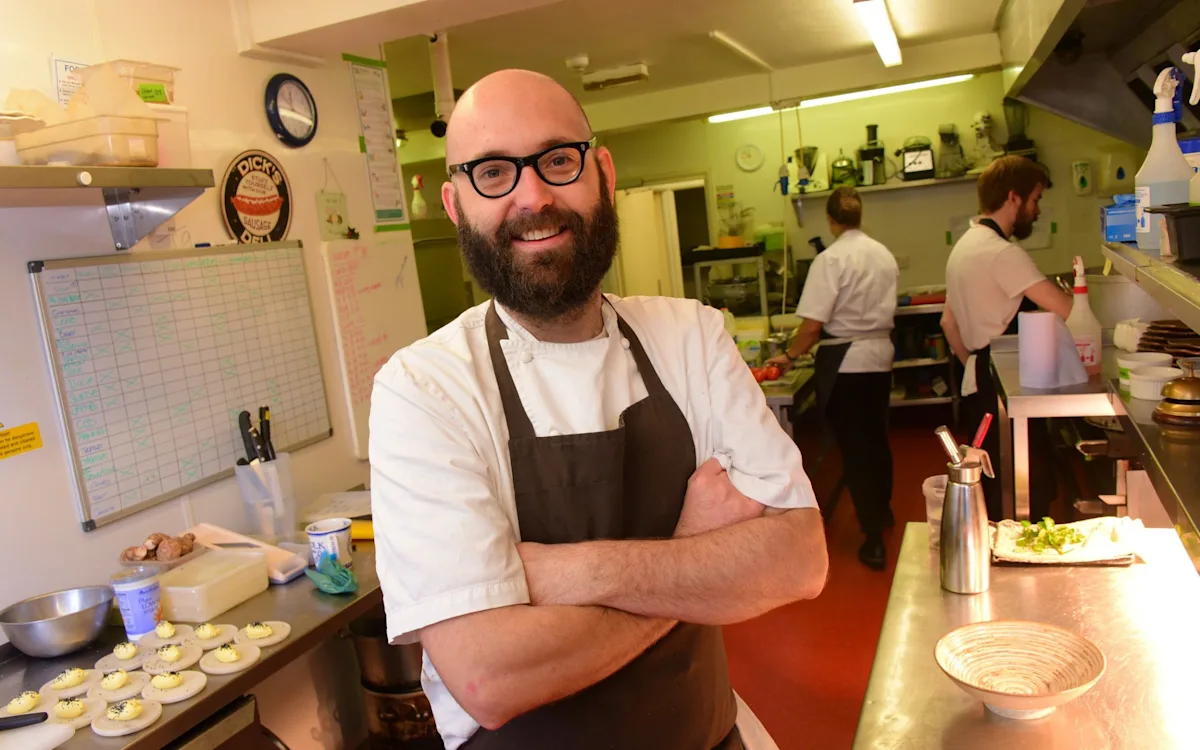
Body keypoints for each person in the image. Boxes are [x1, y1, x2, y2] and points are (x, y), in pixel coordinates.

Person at [369, 69, 828, 750]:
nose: (533, 196)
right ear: (456, 203)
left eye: (558, 160)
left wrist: (565, 573)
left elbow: (798, 560)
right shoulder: (425, 388)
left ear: (604, 173)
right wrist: (687, 552)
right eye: (493, 171)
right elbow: (489, 677)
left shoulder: (692, 336)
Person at [767, 187, 898, 571]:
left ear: (831, 219)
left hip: (847, 362)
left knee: (854, 448)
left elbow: (811, 327)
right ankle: (883, 510)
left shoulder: (831, 259)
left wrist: (789, 356)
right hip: (880, 358)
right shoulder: (883, 254)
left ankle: (873, 538)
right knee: (877, 440)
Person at [941, 155, 1072, 521]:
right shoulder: (1002, 253)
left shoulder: (964, 247)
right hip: (1004, 384)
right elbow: (1066, 310)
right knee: (1023, 482)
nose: (1037, 208)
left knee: (991, 479)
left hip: (983, 379)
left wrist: (975, 365)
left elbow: (948, 322)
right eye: (1035, 199)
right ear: (1013, 198)